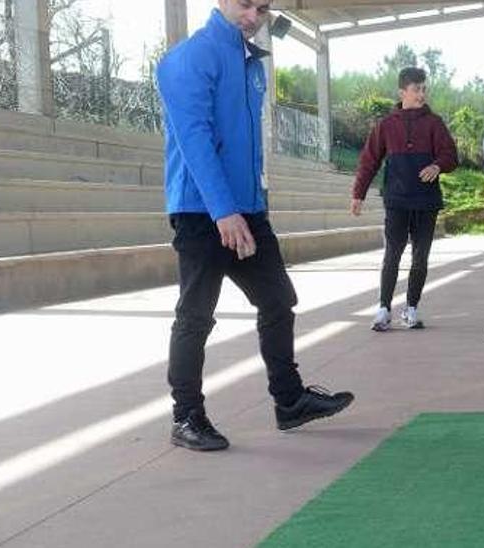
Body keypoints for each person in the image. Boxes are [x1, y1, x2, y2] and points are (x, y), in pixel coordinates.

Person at [156, 0, 353, 452]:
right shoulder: (189, 58)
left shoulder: (250, 61)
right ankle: (186, 417)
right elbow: (195, 140)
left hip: (246, 208)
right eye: (246, 4)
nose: (253, 16)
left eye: (263, 8)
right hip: (200, 210)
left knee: (278, 299)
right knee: (196, 315)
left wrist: (250, 205)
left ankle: (289, 401)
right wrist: (223, 211)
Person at [351, 67, 459, 332]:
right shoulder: (386, 125)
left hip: (426, 202)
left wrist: (437, 166)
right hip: (397, 201)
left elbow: (451, 156)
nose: (422, 94)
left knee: (420, 257)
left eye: (424, 89)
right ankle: (384, 309)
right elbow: (369, 161)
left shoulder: (434, 123)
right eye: (416, 89)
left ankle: (411, 309)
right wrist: (358, 194)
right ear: (403, 92)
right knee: (392, 255)